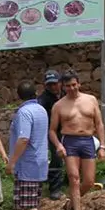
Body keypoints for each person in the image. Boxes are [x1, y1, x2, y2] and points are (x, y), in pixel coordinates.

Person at [48, 70, 105, 210]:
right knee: (74, 178)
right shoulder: (59, 105)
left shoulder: (90, 100)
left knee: (88, 181)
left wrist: (102, 146)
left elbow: (99, 124)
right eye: (68, 86)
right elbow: (52, 130)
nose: (72, 88)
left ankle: (69, 204)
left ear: (79, 83)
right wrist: (59, 145)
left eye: (74, 85)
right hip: (70, 141)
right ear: (63, 87)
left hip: (87, 140)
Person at [6, 81, 50, 210]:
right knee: (29, 201)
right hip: (39, 161)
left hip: (27, 163)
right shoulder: (41, 110)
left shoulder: (24, 112)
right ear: (36, 93)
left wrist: (12, 161)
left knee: (30, 203)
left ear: (18, 96)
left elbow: (24, 139)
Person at [37, 69, 65, 200]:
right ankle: (55, 189)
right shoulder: (43, 100)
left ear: (60, 83)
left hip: (68, 131)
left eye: (55, 83)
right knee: (56, 159)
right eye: (50, 85)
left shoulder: (66, 94)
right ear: (45, 85)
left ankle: (70, 182)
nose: (53, 87)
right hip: (52, 133)